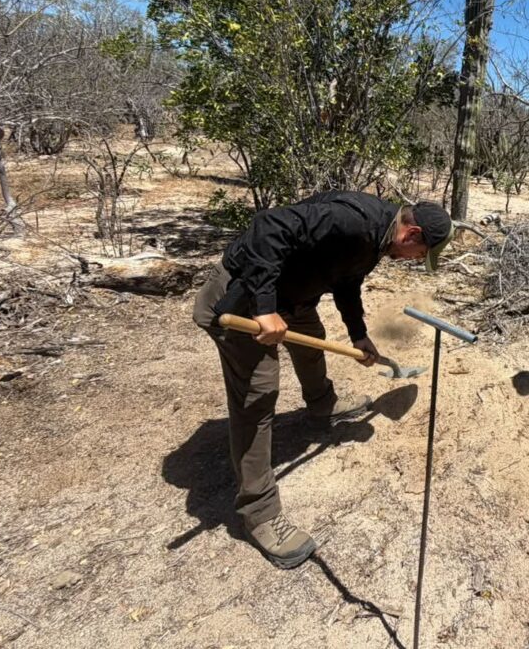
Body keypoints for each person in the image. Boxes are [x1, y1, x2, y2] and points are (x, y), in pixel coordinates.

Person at [192, 191, 453, 568]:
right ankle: (260, 513)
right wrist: (264, 310)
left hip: (289, 293)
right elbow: (268, 226)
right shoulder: (353, 223)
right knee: (258, 394)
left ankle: (322, 404)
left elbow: (347, 277)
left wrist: (357, 333)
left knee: (310, 336)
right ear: (411, 235)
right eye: (419, 255)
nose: (414, 262)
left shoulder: (378, 236)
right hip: (242, 297)